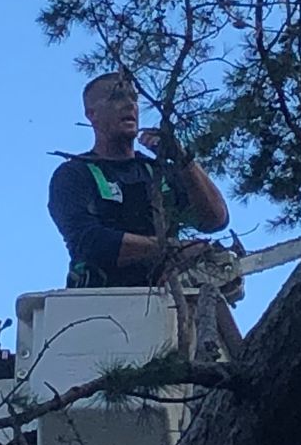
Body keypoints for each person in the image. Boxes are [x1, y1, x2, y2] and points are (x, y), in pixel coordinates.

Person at [47, 72, 230, 289]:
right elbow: (89, 242)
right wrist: (172, 248)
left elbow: (215, 220)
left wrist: (184, 160)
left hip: (169, 298)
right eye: (116, 97)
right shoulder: (75, 174)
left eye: (133, 98)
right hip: (98, 303)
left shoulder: (157, 171)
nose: (129, 105)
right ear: (91, 114)